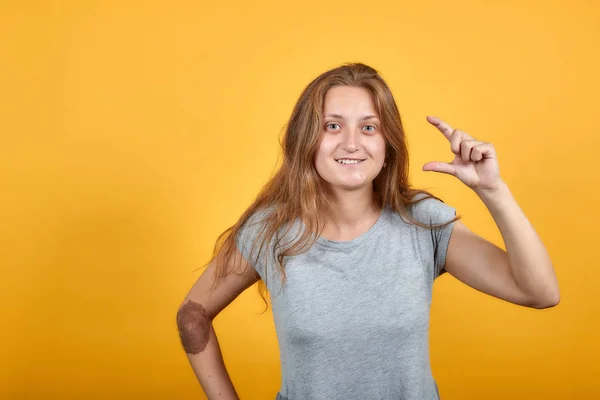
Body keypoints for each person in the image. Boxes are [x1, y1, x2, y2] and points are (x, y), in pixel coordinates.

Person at [175, 62, 560, 400]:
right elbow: (192, 315)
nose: (352, 143)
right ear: (306, 138)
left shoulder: (423, 222)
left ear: (387, 143)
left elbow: (539, 292)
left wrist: (493, 190)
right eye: (332, 126)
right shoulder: (270, 230)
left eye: (369, 127)